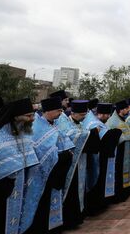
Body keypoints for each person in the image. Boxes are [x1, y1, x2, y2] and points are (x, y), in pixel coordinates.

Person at [0, 98, 39, 234]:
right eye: (29, 116)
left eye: (33, 115)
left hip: (19, 189)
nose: (32, 119)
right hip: (0, 194)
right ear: (16, 117)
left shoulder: (24, 134)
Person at [22, 96, 75, 234]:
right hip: (40, 173)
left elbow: (63, 142)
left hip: (55, 172)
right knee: (40, 203)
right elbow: (38, 150)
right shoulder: (36, 126)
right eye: (58, 110)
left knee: (50, 201)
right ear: (48, 111)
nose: (60, 113)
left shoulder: (53, 124)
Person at [55, 100, 96, 229]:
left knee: (80, 188)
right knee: (71, 191)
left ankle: (78, 216)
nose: (84, 117)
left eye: (85, 114)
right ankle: (69, 220)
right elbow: (68, 135)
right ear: (73, 113)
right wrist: (90, 133)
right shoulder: (64, 123)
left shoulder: (80, 123)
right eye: (82, 114)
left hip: (81, 162)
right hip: (71, 164)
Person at [83, 103, 122, 215]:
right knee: (95, 181)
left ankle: (100, 204)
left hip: (101, 158)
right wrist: (116, 133)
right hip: (96, 159)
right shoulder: (94, 124)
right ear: (101, 114)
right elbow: (104, 141)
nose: (107, 117)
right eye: (106, 115)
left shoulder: (98, 123)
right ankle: (95, 207)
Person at [105, 100, 130, 203]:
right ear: (120, 110)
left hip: (125, 152)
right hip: (118, 153)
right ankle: (118, 195)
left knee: (124, 172)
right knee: (118, 173)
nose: (127, 110)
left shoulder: (122, 120)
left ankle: (124, 193)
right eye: (126, 109)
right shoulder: (112, 122)